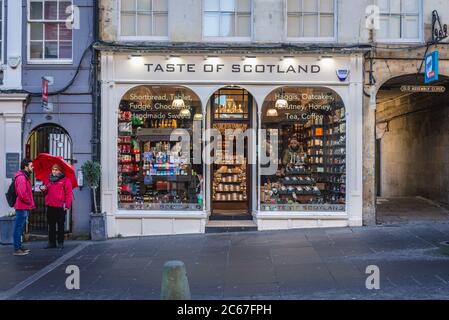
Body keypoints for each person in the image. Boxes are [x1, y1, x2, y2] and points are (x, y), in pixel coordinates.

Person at [40, 164, 73, 249]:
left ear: (60, 171)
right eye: (53, 169)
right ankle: (51, 242)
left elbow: (69, 194)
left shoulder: (66, 180)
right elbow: (45, 192)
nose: (54, 171)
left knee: (60, 225)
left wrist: (67, 205)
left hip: (60, 206)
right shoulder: (48, 180)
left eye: (56, 169)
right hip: (50, 205)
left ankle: (60, 242)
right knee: (51, 225)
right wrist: (43, 189)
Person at [13, 159, 35, 256]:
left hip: (23, 206)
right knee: (18, 228)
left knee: (20, 227)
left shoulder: (24, 176)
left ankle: (19, 246)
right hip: (22, 206)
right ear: (26, 166)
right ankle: (17, 249)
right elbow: (22, 193)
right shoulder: (22, 177)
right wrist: (29, 201)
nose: (33, 167)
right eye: (31, 165)